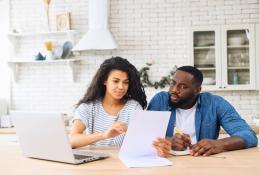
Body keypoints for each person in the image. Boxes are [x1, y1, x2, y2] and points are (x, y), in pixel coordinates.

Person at [69, 56, 171, 157]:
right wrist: (104, 135)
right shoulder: (88, 107)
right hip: (95, 162)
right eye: (116, 81)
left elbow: (144, 142)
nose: (121, 87)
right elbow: (72, 140)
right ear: (105, 80)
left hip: (123, 162)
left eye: (125, 82)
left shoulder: (134, 107)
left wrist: (159, 146)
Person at [147, 65, 258, 156]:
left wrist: (219, 144)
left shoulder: (215, 103)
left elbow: (249, 135)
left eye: (183, 86)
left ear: (197, 90)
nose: (174, 90)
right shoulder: (160, 101)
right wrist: (169, 141)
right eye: (173, 83)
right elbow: (144, 136)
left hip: (204, 163)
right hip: (168, 162)